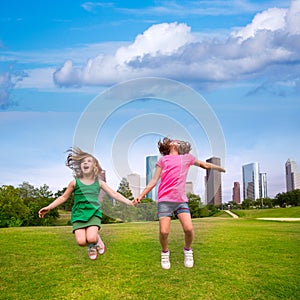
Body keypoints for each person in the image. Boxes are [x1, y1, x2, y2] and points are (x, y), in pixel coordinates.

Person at [135, 137, 225, 269]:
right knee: (164, 232)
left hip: (181, 201)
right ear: (169, 145)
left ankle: (188, 250)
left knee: (189, 229)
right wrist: (141, 196)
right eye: (174, 140)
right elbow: (154, 180)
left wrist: (220, 168)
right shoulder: (163, 160)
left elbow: (205, 165)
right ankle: (165, 253)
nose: (176, 141)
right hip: (165, 200)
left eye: (178, 140)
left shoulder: (187, 158)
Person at [39, 147, 135, 260]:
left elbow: (114, 194)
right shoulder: (74, 183)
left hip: (93, 212)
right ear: (80, 166)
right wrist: (49, 207)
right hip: (78, 214)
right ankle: (91, 244)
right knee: (80, 242)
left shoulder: (99, 183)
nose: (85, 163)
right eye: (83, 162)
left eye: (89, 161)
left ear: (94, 166)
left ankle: (95, 242)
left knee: (92, 238)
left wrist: (129, 202)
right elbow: (63, 197)